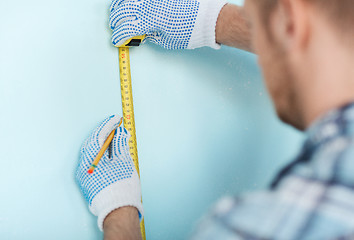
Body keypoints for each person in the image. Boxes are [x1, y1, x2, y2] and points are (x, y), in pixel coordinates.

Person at [76, 0, 354, 239]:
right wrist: (214, 21)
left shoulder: (253, 229)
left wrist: (119, 214)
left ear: (290, 22)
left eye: (253, 19)